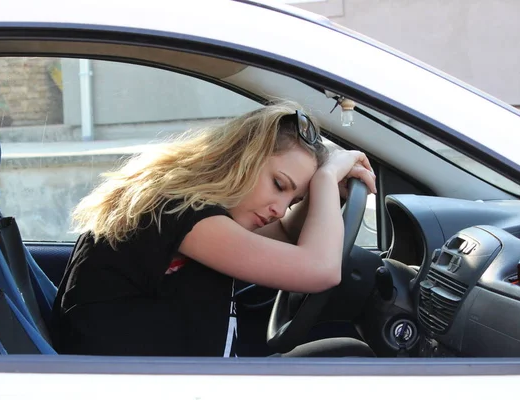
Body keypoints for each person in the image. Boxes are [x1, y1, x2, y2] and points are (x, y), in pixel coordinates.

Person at [50, 101, 377, 357]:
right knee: (355, 361)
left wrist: (325, 192)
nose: (280, 210)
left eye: (294, 199)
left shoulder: (193, 213)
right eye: (279, 184)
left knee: (347, 354)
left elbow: (289, 238)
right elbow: (321, 269)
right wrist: (324, 179)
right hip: (142, 387)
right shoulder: (177, 213)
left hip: (189, 381)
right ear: (241, 158)